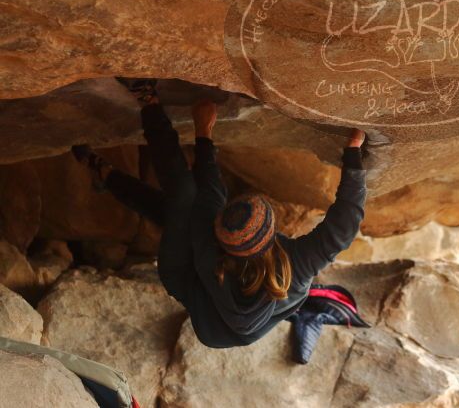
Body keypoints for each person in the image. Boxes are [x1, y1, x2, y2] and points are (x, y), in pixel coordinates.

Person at [72, 79, 367, 349]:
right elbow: (345, 224)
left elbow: (206, 186)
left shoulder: (209, 249)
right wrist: (353, 153)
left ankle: (147, 101)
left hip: (188, 282)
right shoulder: (297, 265)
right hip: (220, 328)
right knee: (176, 212)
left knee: (182, 198)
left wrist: (204, 131)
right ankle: (104, 174)